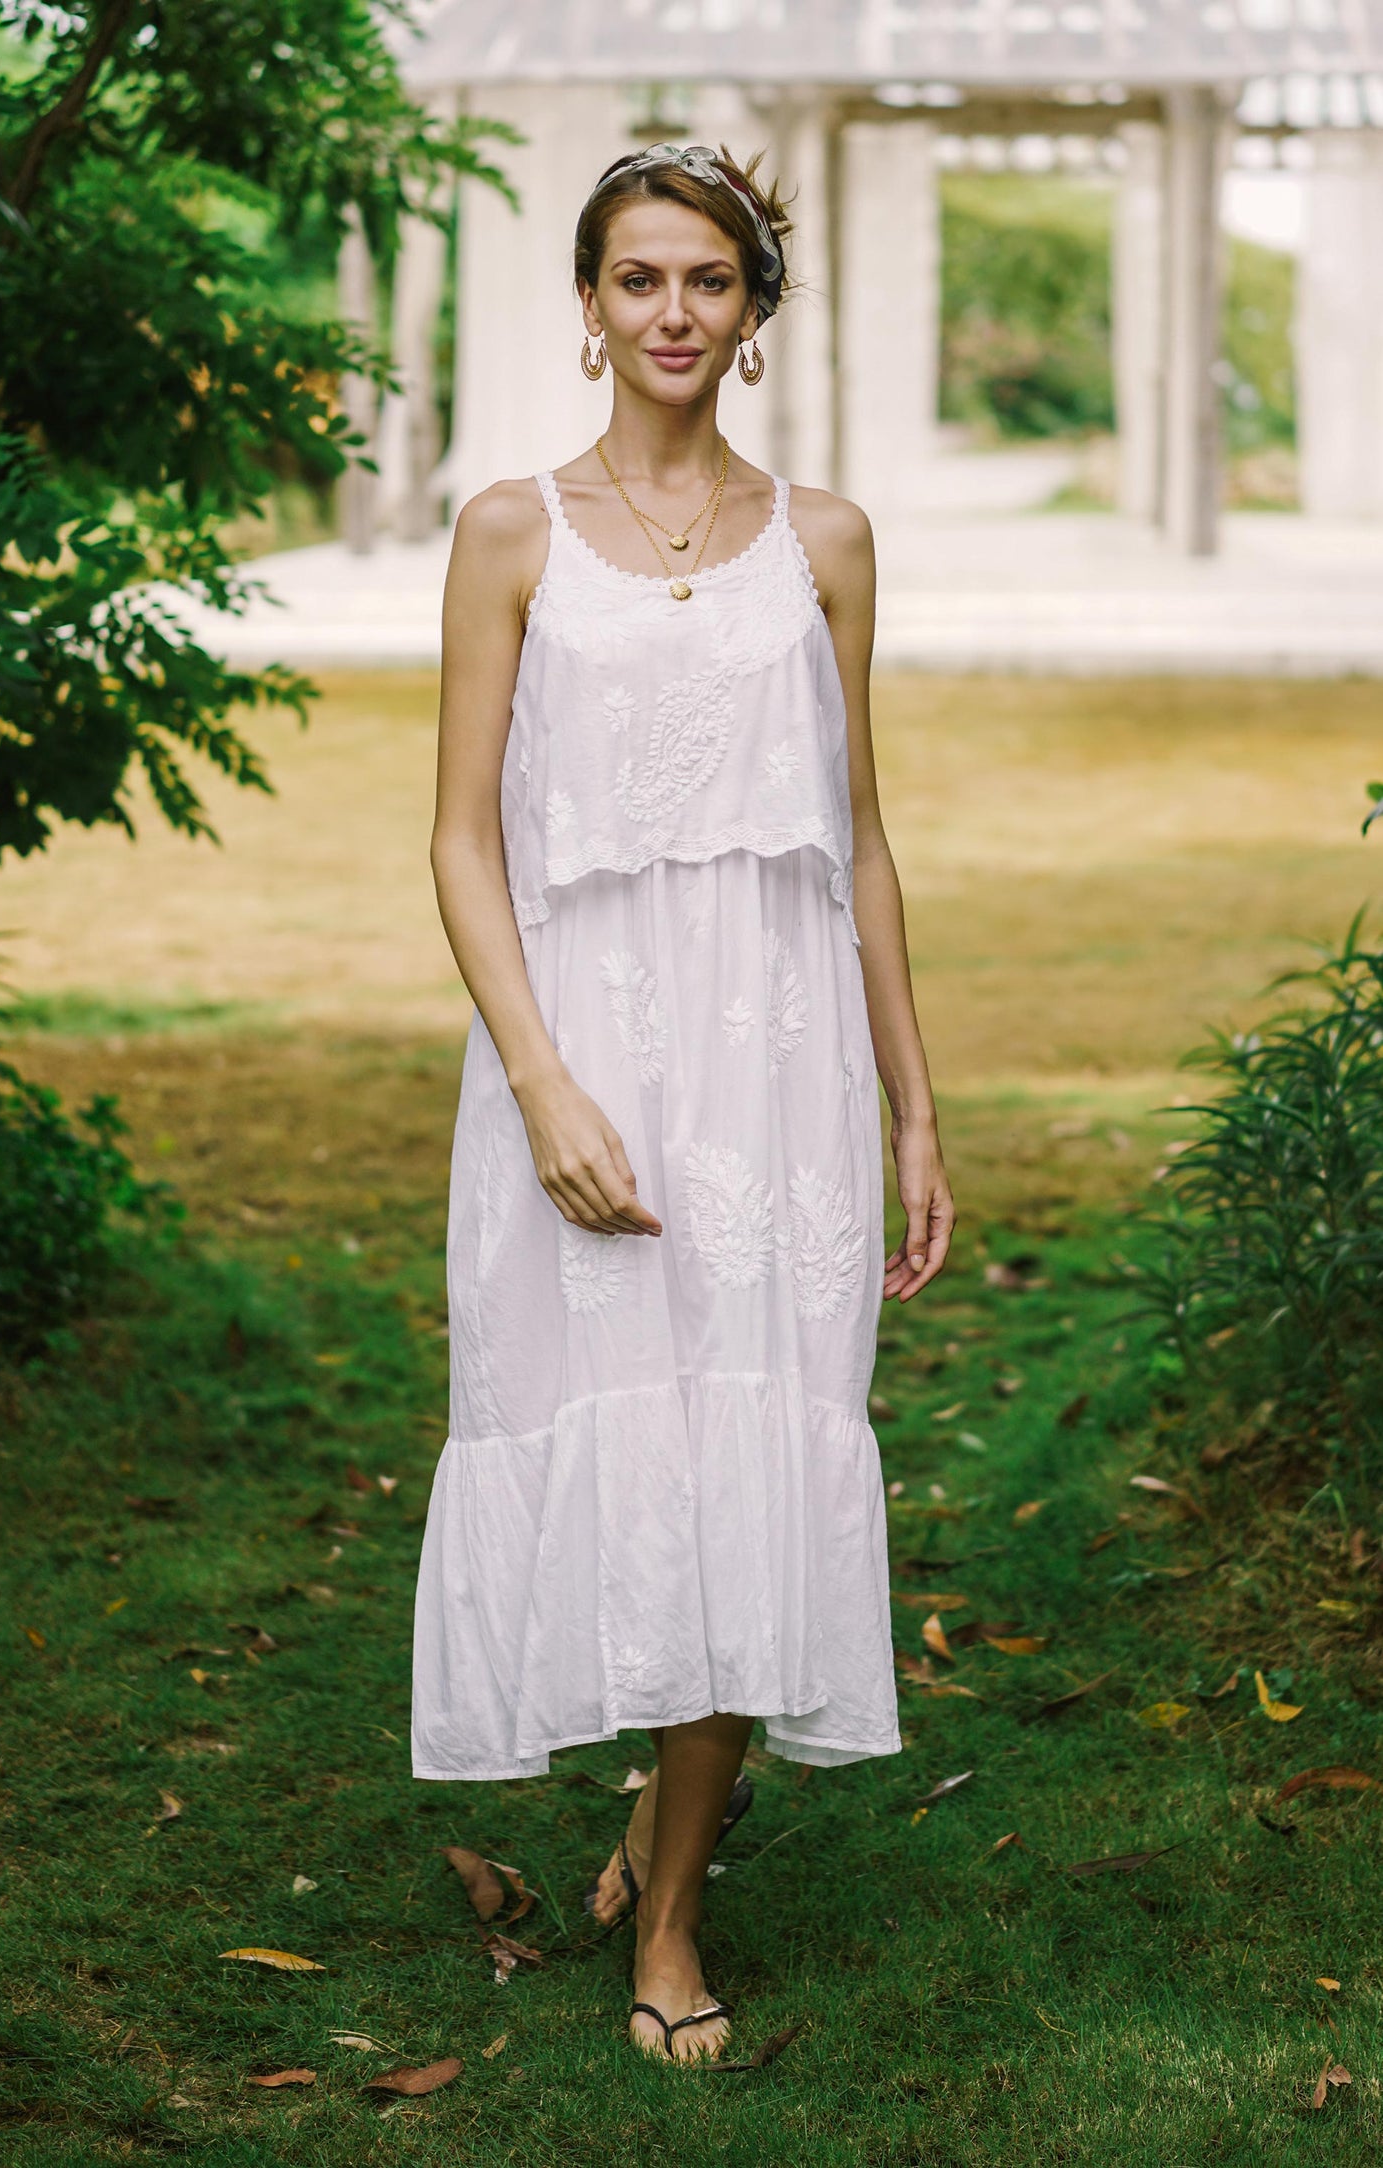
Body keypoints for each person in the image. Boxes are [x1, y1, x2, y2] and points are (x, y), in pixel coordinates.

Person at [413, 140, 954, 2064]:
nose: (670, 314)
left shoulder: (829, 540)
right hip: (586, 1060)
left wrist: (909, 1109)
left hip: (781, 1064)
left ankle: (673, 1906)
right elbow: (462, 842)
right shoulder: (505, 533)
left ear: (751, 311)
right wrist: (543, 1078)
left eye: (707, 282)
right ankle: (646, 1802)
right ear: (583, 307)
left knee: (755, 1445)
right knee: (621, 1433)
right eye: (636, 280)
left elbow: (861, 841)